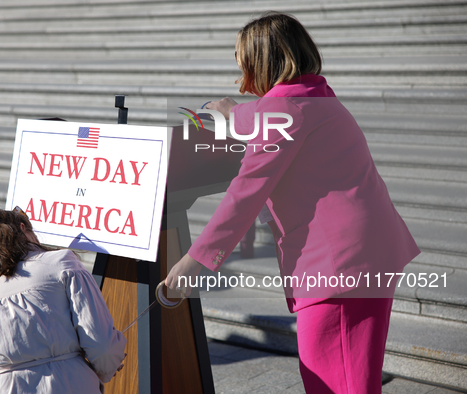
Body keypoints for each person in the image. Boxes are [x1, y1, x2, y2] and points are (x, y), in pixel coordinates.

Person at [166, 12, 420, 393]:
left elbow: (245, 193)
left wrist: (194, 261)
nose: (241, 75)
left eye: (243, 63)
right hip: (365, 253)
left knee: (337, 383)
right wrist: (231, 111)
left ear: (260, 63)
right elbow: (266, 113)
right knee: (347, 374)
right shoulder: (314, 98)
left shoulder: (283, 111)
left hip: (340, 269)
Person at [0, 208, 126, 393]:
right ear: (23, 229)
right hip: (62, 383)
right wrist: (109, 364)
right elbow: (101, 343)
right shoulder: (61, 263)